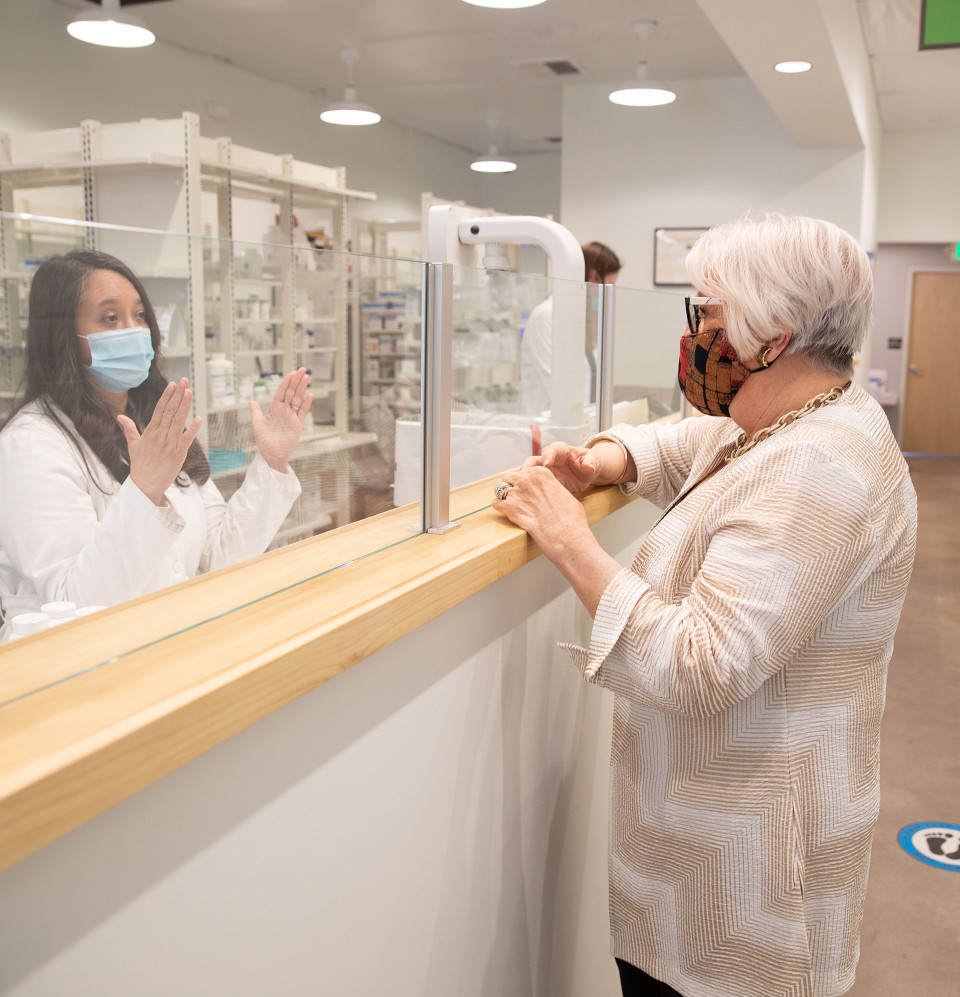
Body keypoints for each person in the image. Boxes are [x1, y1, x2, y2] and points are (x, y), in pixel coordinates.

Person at [493, 214, 917, 997]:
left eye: (709, 313)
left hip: (749, 891)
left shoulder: (819, 469)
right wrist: (605, 460)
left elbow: (701, 663)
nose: (696, 333)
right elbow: (696, 444)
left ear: (771, 336)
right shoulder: (801, 416)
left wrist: (569, 542)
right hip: (703, 854)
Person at [0, 249, 313, 636]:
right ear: (64, 335)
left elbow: (217, 557)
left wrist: (272, 463)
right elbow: (75, 602)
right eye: (110, 318)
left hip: (166, 646)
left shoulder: (153, 421)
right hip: (81, 673)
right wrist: (144, 490)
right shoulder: (31, 445)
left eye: (140, 315)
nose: (134, 330)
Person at [519, 240, 621, 414]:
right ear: (592, 277)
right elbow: (560, 387)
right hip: (547, 426)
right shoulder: (547, 316)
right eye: (608, 286)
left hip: (582, 423)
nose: (609, 293)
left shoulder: (586, 319)